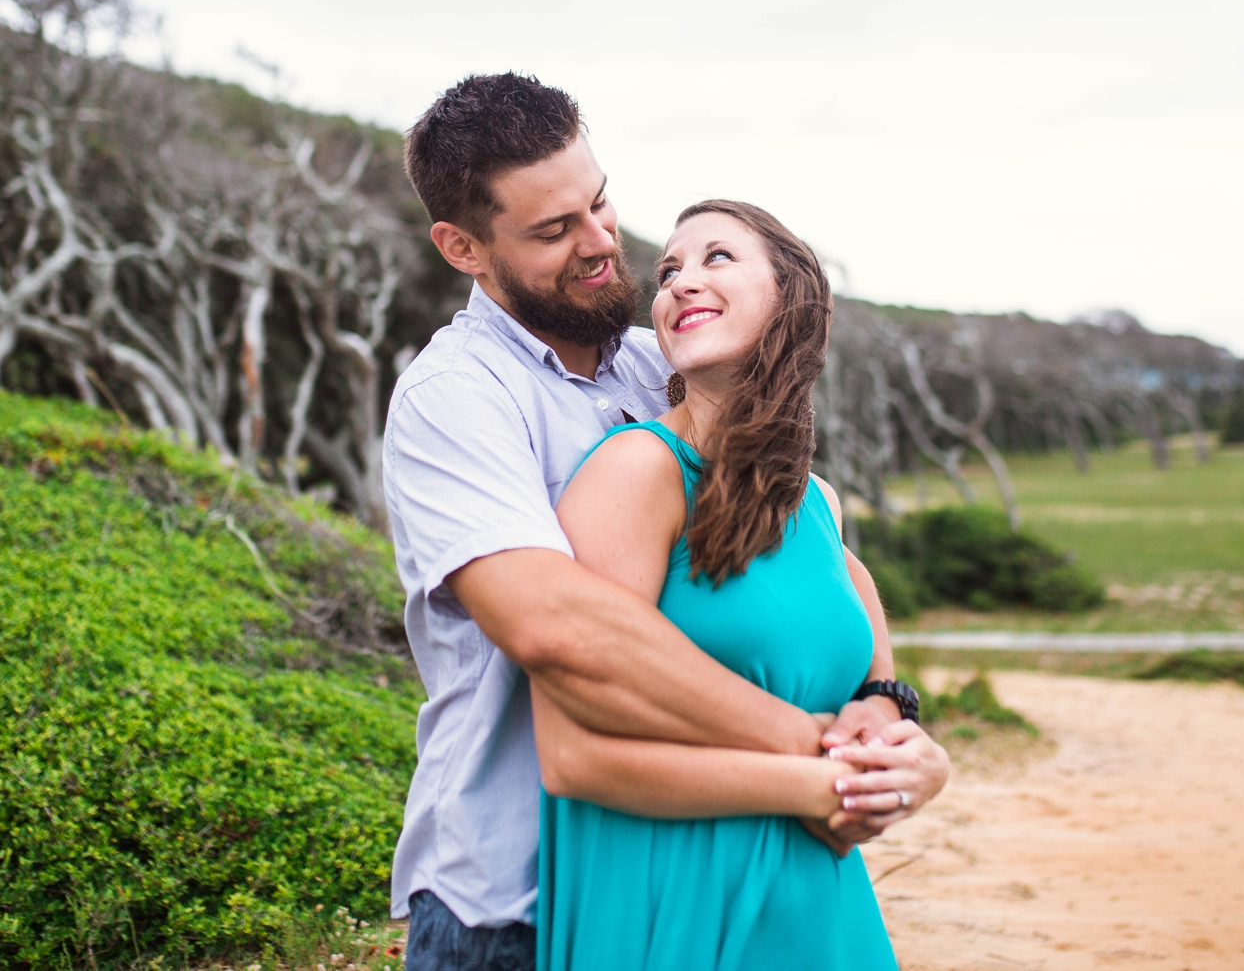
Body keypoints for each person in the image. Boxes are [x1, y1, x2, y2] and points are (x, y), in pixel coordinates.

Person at [383, 71, 947, 971]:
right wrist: (819, 759)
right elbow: (556, 627)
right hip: (512, 898)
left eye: (600, 204)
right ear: (463, 246)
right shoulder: (457, 398)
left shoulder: (667, 363)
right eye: (552, 230)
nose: (602, 244)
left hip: (717, 845)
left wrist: (883, 708)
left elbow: (816, 549)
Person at [536, 194, 915, 971]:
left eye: (716, 258)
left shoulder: (816, 502)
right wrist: (819, 786)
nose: (678, 283)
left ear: (794, 299)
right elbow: (574, 759)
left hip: (820, 904)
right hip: (672, 898)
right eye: (668, 270)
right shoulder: (639, 469)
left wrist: (889, 713)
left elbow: (853, 609)